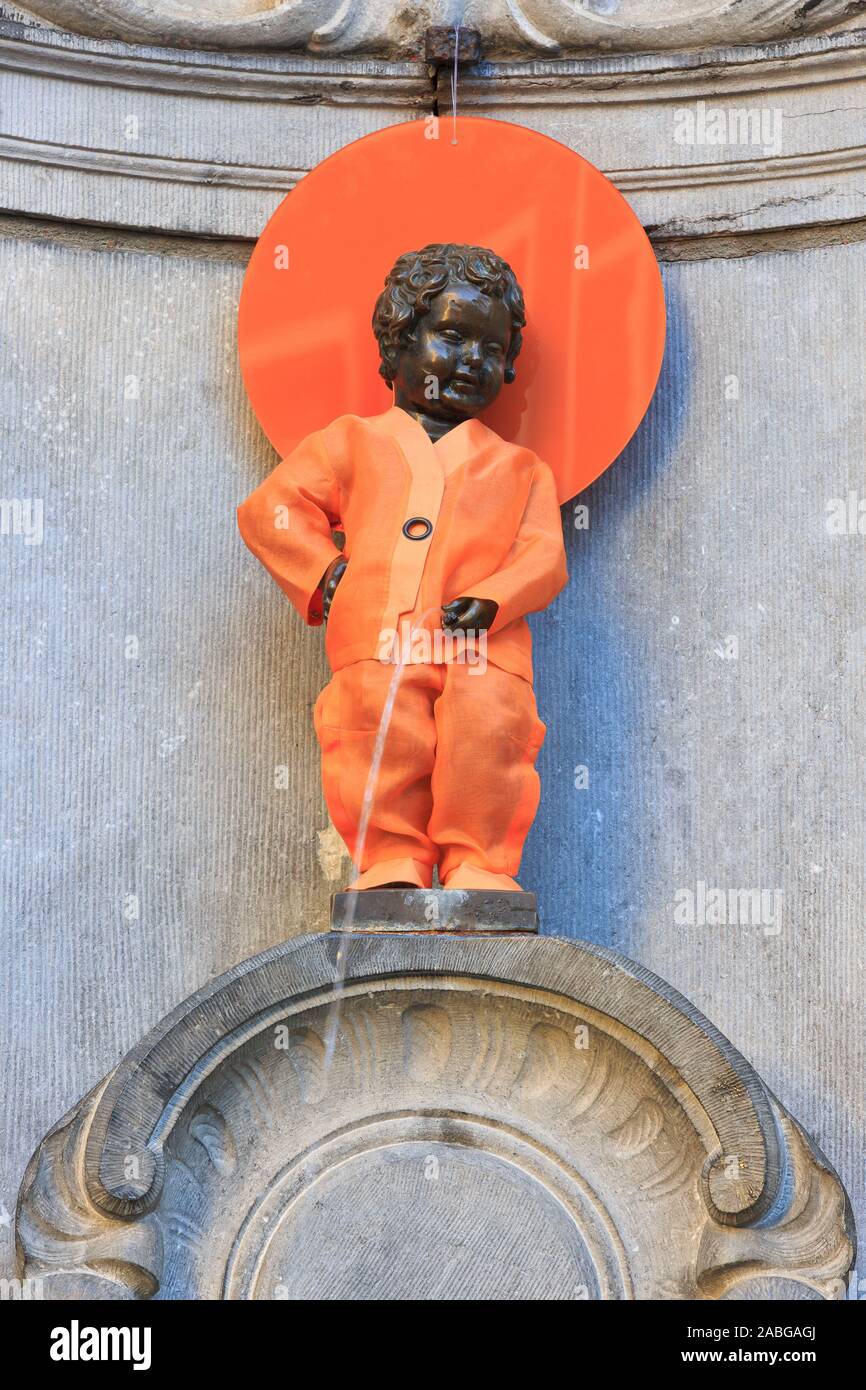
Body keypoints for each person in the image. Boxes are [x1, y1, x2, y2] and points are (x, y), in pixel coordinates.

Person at [238, 243, 568, 892]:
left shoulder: (519, 468)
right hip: (377, 639)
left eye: (491, 350)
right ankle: (391, 858)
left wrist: (497, 599)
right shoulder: (351, 443)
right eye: (451, 336)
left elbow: (545, 556)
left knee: (488, 735)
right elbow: (272, 509)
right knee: (374, 731)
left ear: (507, 370)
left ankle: (479, 864)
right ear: (398, 342)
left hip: (482, 648)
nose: (471, 361)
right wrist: (326, 574)